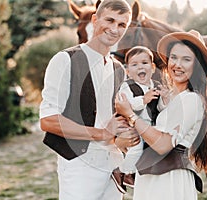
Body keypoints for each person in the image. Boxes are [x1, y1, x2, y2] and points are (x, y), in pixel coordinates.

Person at [39, 1, 140, 200]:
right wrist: (101, 133)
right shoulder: (65, 60)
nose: (114, 29)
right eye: (109, 20)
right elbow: (48, 120)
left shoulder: (118, 69)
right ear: (95, 19)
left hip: (113, 163)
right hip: (79, 164)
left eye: (122, 25)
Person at [115, 30, 207, 200]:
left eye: (186, 59)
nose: (177, 64)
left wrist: (131, 115)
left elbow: (162, 145)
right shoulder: (169, 97)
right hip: (150, 174)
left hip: (169, 179)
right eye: (174, 57)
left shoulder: (191, 100)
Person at [111, 46, 169, 193]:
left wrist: (165, 100)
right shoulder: (127, 87)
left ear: (153, 67)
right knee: (136, 147)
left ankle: (145, 174)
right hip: (132, 126)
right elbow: (126, 106)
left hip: (149, 126)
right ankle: (124, 172)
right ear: (128, 71)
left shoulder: (156, 86)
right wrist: (143, 99)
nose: (140, 67)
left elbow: (159, 109)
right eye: (134, 65)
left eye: (144, 63)